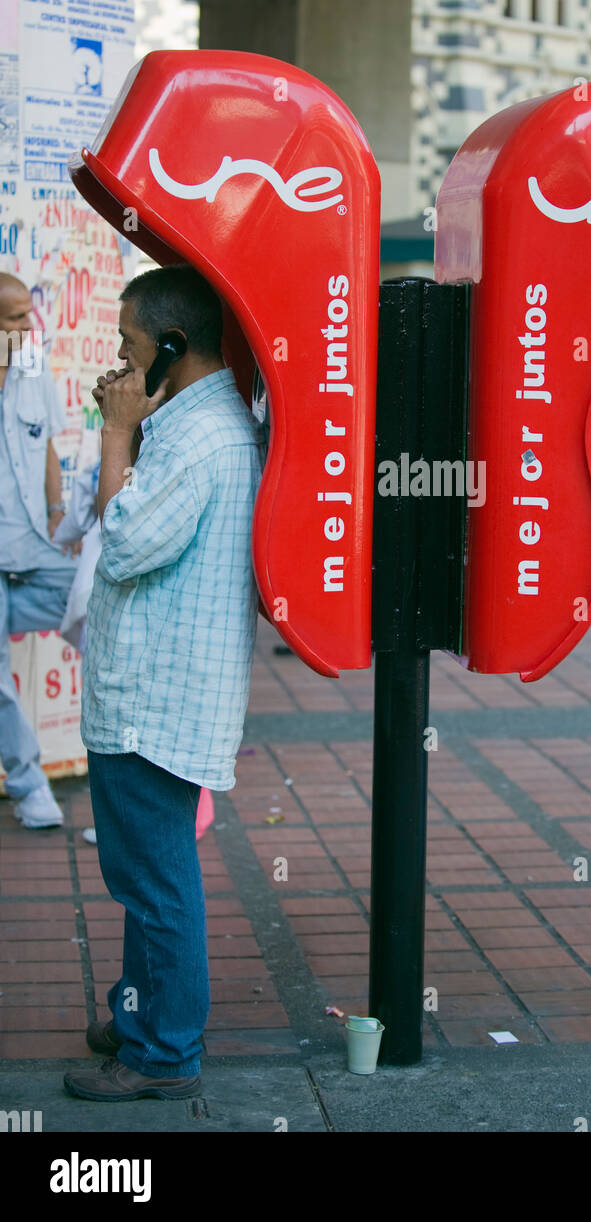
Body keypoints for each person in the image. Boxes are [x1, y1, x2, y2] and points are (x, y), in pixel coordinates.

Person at [62, 264, 264, 1103]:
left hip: (157, 701)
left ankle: (162, 1053)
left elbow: (130, 543)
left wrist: (117, 438)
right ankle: (140, 1011)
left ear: (172, 347)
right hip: (152, 691)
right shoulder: (189, 423)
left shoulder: (207, 436)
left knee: (155, 884)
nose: (118, 361)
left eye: (130, 346)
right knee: (144, 875)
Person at [0, 272, 77, 828]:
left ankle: (133, 765)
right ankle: (29, 787)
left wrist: (58, 517)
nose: (31, 326)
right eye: (16, 318)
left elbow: (48, 447)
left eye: (30, 313)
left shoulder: (34, 369)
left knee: (102, 613)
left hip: (34, 545)